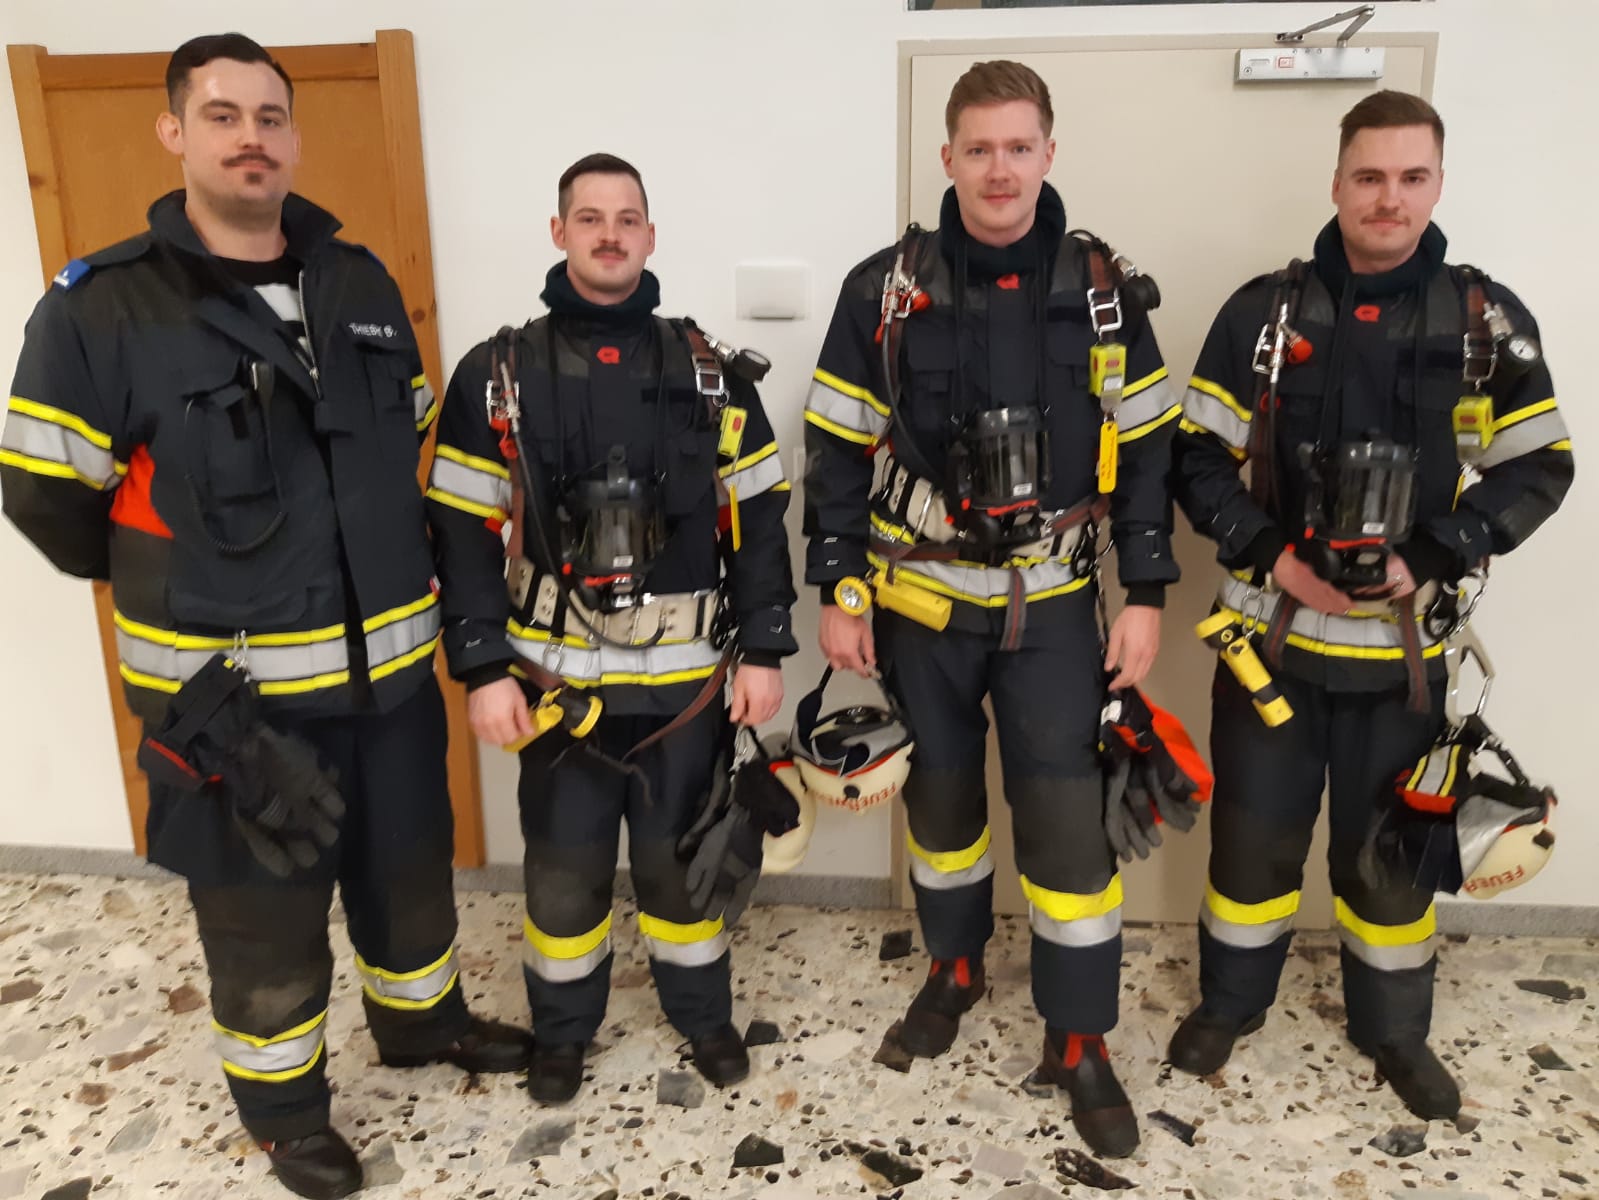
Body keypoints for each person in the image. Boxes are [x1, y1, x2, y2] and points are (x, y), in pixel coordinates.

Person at [0, 34, 531, 1200]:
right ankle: (287, 1117)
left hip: (389, 684)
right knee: (261, 923)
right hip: (234, 709)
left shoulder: (360, 283)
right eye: (223, 114)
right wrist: (179, 585)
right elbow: (44, 495)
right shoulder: (103, 309)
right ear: (174, 132)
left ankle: (421, 1025)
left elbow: (408, 447)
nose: (252, 137)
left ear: (293, 136)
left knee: (411, 878)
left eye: (270, 116)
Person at [1169, 90, 1572, 1119]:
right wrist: (1273, 556)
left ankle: (1393, 1031)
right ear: (1337, 181)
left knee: (1388, 858)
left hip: (1402, 665)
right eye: (1369, 176)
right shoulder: (1261, 317)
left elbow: (1540, 468)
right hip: (1267, 651)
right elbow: (1193, 460)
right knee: (1251, 844)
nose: (1388, 198)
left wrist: (1432, 553)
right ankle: (1230, 1003)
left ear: (1437, 184)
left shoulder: (1484, 323)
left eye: (1410, 177)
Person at [802, 60, 1180, 1158]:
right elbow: (833, 447)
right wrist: (841, 586)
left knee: (1065, 825)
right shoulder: (883, 291)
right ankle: (954, 966)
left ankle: (1080, 1035)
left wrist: (1146, 595)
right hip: (919, 608)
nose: (1000, 169)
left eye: (1019, 147)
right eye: (980, 148)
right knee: (943, 807)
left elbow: (1148, 451)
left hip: (1053, 610)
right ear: (948, 157)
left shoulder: (1103, 292)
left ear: (1049, 153)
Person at [426, 153, 796, 1106]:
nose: (608, 234)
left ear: (650, 236)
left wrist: (764, 649)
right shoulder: (497, 375)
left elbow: (758, 518)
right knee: (563, 877)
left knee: (680, 869)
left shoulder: (708, 374)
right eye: (588, 218)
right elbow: (459, 534)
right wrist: (482, 668)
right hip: (555, 693)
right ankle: (562, 1034)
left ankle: (702, 1018)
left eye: (626, 218)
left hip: (686, 691)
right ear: (559, 233)